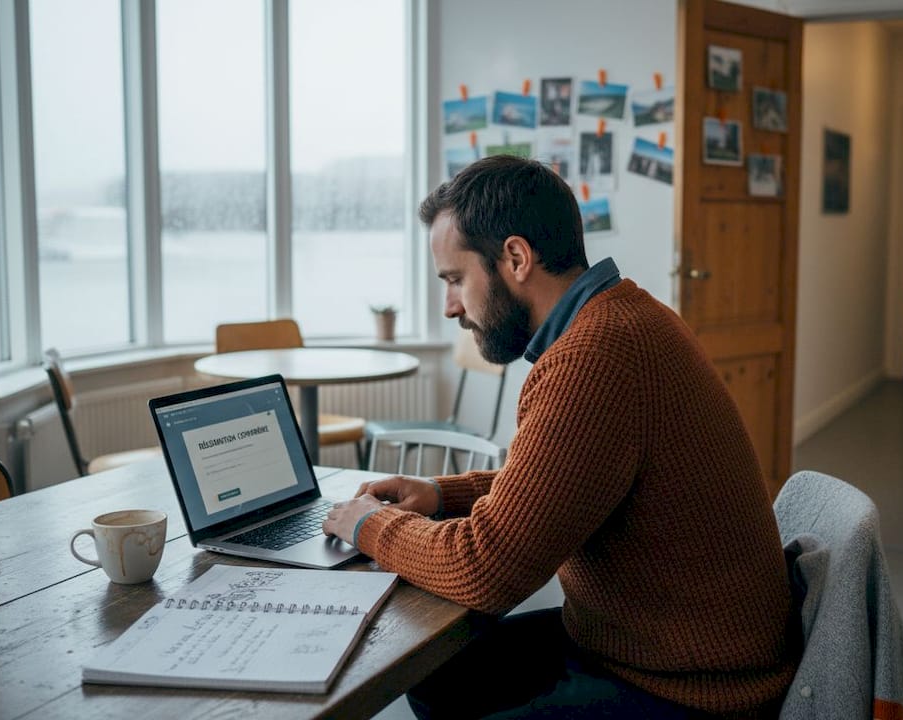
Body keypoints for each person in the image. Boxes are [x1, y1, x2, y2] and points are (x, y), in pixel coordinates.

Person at [323, 155, 797, 719]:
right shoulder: (624, 316)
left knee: (441, 675)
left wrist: (369, 525)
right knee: (435, 673)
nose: (450, 307)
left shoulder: (596, 354)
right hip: (642, 645)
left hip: (692, 689)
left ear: (516, 258)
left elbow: (485, 569)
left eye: (455, 279)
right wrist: (441, 495)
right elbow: (564, 479)